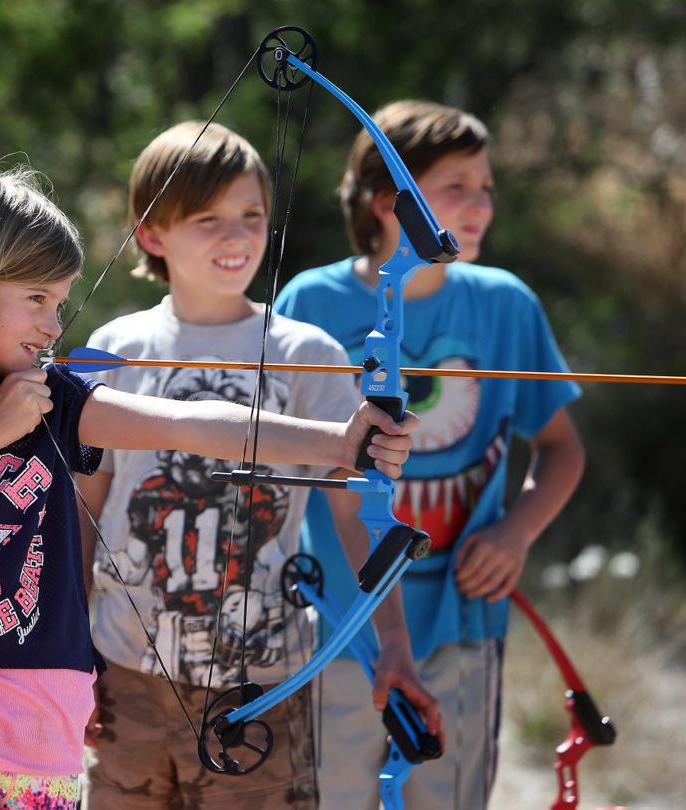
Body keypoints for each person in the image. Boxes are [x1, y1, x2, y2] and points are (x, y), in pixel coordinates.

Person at [0, 165, 421, 810]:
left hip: (51, 734)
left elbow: (186, 423)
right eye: (36, 299)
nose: (52, 323)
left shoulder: (53, 399)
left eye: (60, 303)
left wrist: (338, 443)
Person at [77, 121, 441, 809]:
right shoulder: (112, 346)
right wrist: (70, 649)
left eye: (251, 216)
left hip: (263, 682)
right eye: (207, 219)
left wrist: (394, 645)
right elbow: (84, 506)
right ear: (152, 235)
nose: (236, 236)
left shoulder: (310, 354)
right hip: (124, 671)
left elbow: (360, 515)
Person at [274, 100, 586, 809]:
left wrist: (518, 531)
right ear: (388, 201)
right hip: (338, 622)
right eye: (456, 187)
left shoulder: (505, 303)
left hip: (464, 614)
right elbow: (300, 461)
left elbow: (562, 447)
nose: (479, 205)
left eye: (487, 188)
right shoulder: (309, 301)